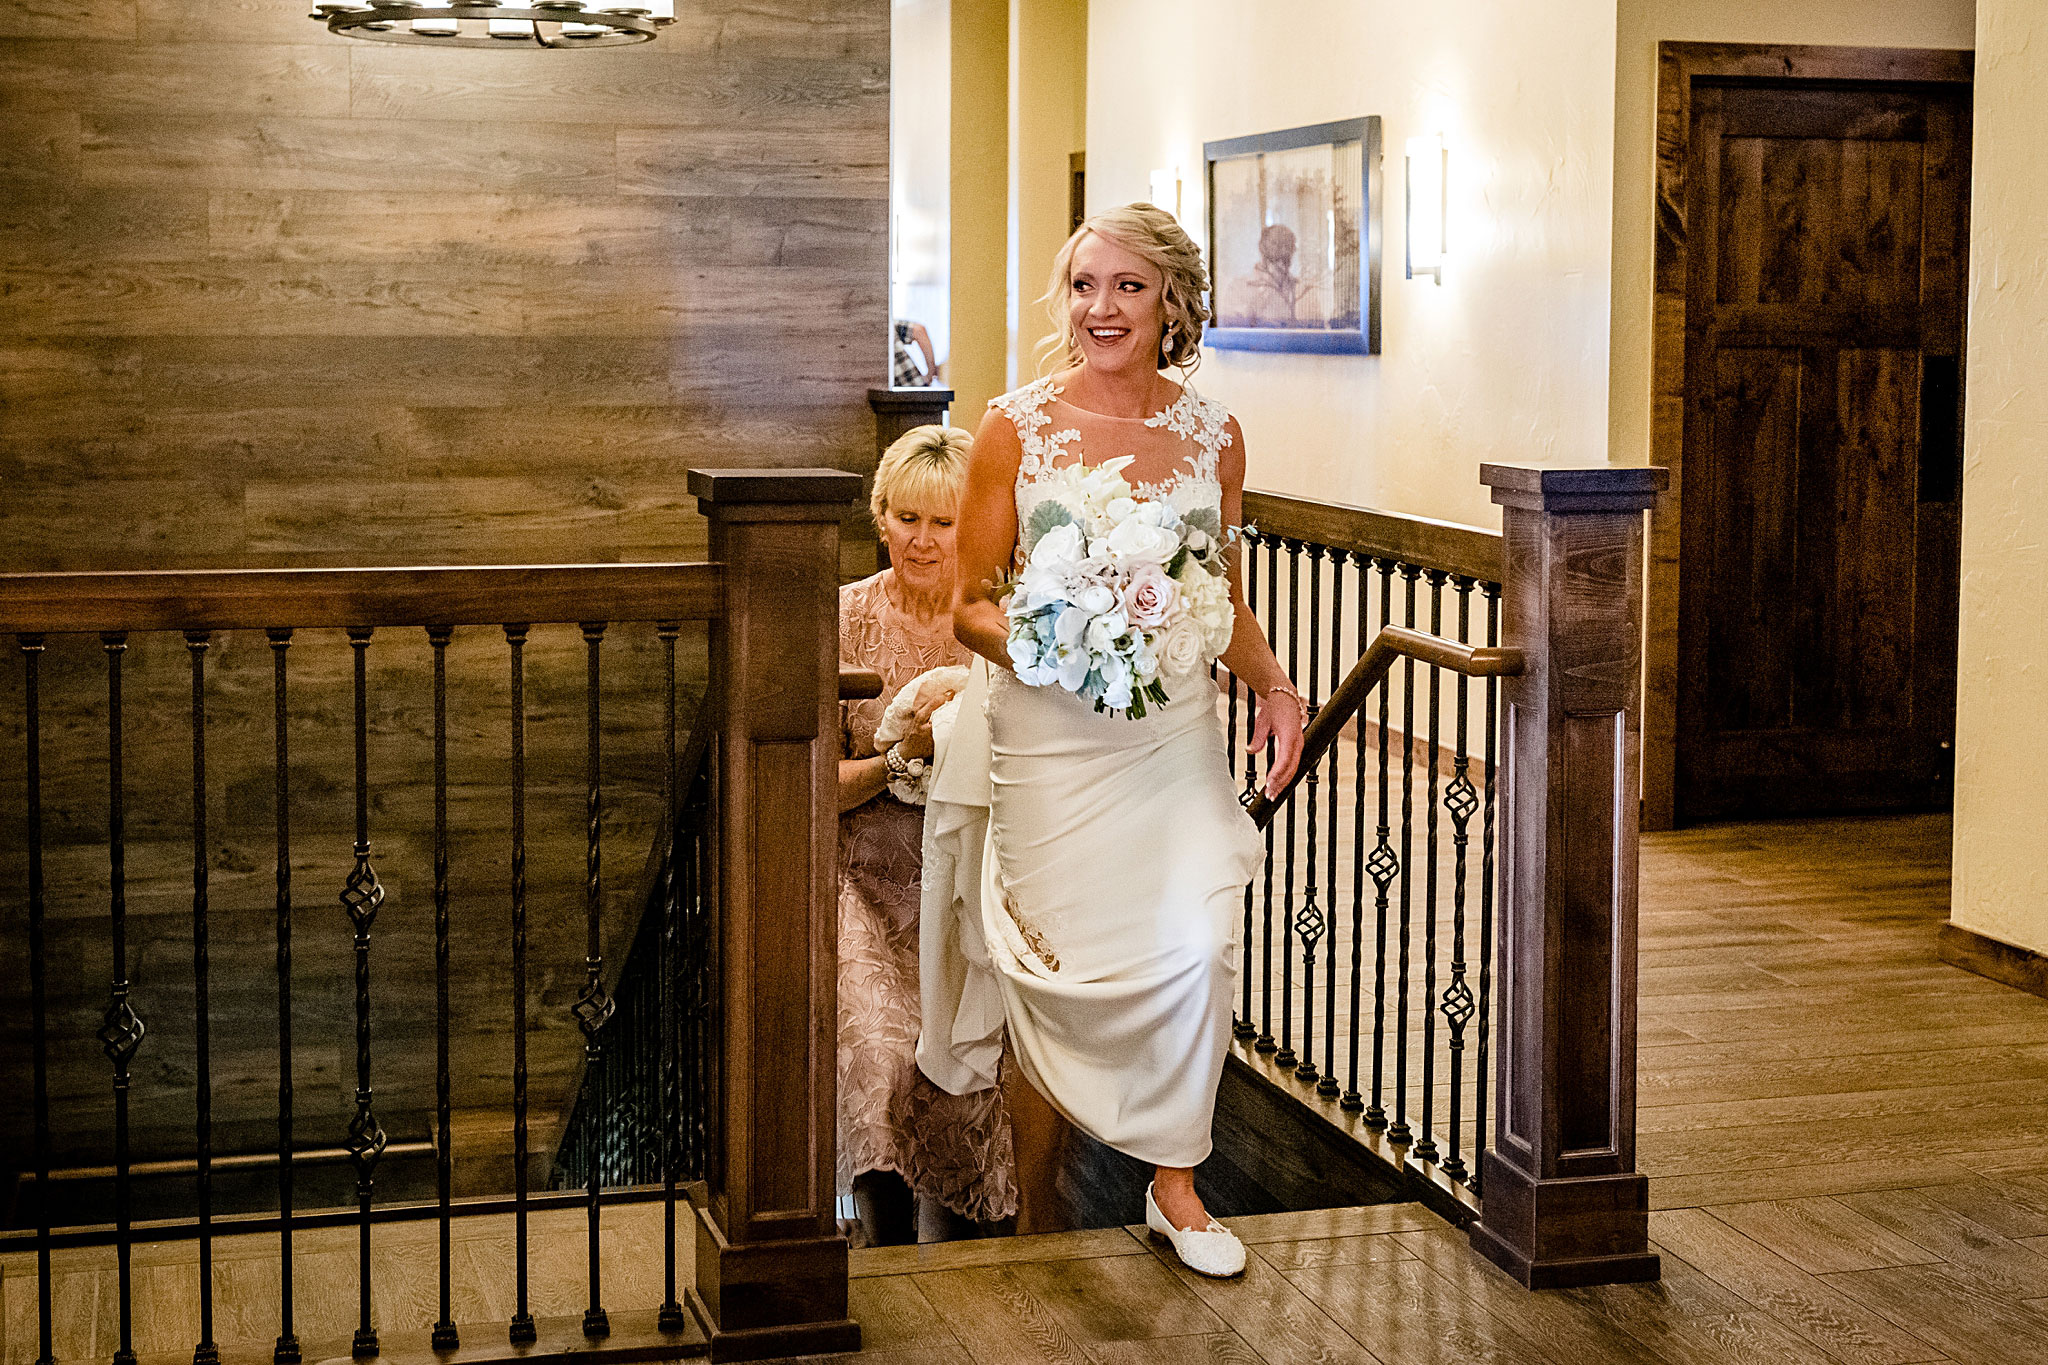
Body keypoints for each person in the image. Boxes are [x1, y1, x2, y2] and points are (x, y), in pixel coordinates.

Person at [923, 202, 1304, 1276]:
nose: (1101, 308)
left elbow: (1216, 594)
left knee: (1196, 942)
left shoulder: (1212, 435)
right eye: (1084, 285)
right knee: (1056, 969)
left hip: (1168, 739)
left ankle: (1175, 1184)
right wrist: (1058, 645)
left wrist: (1272, 684)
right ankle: (1037, 1211)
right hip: (1050, 742)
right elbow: (969, 604)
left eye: (1127, 287)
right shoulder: (1012, 426)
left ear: (1169, 302)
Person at [837, 426, 1016, 1245]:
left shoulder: (993, 627)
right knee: (879, 1053)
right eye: (906, 516)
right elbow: (811, 784)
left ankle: (962, 1243)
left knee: (958, 1065)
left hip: (964, 873)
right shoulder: (842, 616)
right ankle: (885, 1238)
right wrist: (899, 758)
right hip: (859, 875)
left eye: (942, 522)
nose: (922, 537)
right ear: (882, 518)